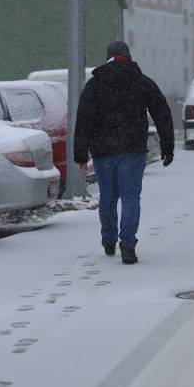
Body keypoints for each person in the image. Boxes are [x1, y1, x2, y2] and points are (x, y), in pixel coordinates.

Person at [73, 41, 174, 264]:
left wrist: (81, 153)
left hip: (103, 150)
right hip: (132, 149)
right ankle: (127, 244)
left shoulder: (95, 84)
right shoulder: (141, 81)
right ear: (128, 56)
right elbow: (162, 112)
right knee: (130, 197)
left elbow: (84, 119)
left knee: (107, 196)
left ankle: (108, 240)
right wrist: (167, 146)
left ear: (108, 57)